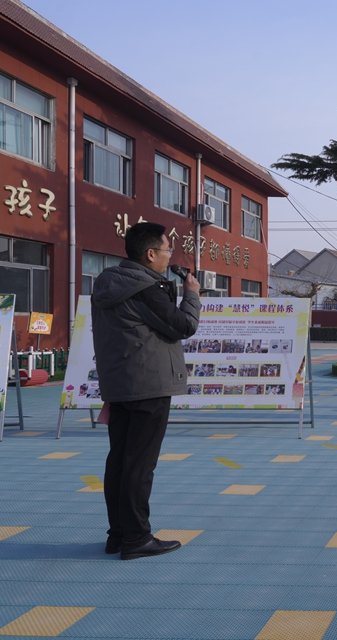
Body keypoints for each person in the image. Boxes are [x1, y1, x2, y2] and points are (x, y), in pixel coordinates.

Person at [91, 222, 200, 560]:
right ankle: (137, 538)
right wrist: (191, 294)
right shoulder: (146, 288)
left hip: (119, 384)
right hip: (148, 385)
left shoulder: (108, 282)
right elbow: (183, 325)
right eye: (167, 250)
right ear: (150, 254)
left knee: (120, 462)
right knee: (139, 465)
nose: (170, 256)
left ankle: (119, 534)